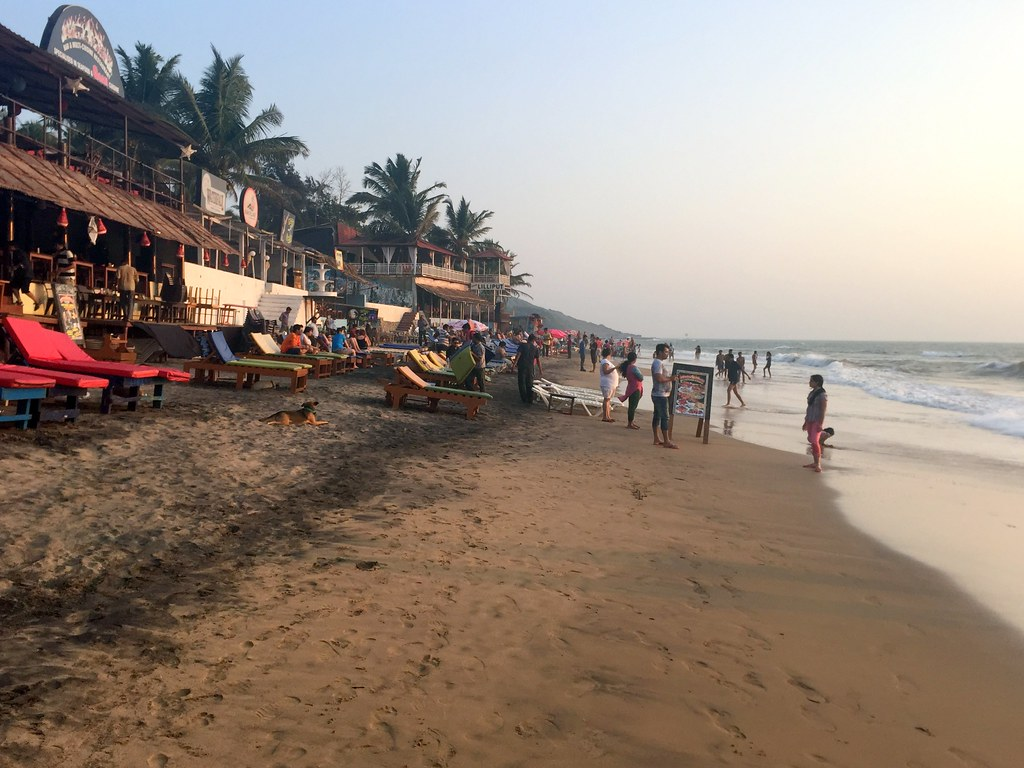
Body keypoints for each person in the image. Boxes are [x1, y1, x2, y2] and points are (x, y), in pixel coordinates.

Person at [650, 343, 677, 448]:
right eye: (666, 352)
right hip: (660, 394)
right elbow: (659, 378)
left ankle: (656, 438)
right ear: (660, 352)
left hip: (660, 393)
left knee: (657, 416)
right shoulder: (657, 363)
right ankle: (666, 440)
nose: (668, 353)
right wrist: (671, 379)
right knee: (665, 417)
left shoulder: (659, 363)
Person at [803, 374, 828, 472]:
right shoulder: (812, 393)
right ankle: (814, 462)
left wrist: (820, 424)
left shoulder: (822, 395)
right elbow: (809, 408)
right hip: (810, 419)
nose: (809, 382)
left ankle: (818, 464)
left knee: (814, 441)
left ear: (817, 382)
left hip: (816, 420)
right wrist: (805, 421)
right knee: (811, 440)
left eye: (811, 381)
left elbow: (823, 410)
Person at [617, 352, 644, 430]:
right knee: (633, 406)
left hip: (631, 387)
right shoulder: (633, 368)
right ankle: (630, 423)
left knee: (632, 405)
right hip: (635, 388)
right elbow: (640, 377)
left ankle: (631, 422)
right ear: (635, 359)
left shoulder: (628, 367)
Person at [513, 333, 542, 404]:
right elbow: (538, 360)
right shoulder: (535, 348)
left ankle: (524, 398)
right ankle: (530, 398)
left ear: (528, 339)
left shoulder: (523, 345)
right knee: (529, 383)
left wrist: (514, 365)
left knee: (522, 382)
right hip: (530, 367)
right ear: (534, 340)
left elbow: (518, 355)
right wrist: (541, 370)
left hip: (522, 366)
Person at [599, 346, 619, 423]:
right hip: (607, 383)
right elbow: (605, 371)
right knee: (606, 399)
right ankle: (605, 416)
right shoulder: (605, 362)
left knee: (608, 400)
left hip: (610, 383)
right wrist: (615, 368)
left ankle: (608, 416)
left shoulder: (606, 361)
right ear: (609, 354)